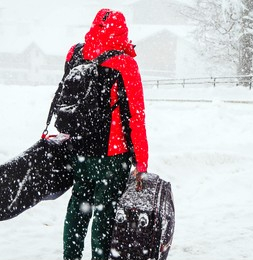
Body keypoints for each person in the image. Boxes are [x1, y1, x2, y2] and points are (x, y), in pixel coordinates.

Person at [59, 8, 149, 260]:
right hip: (112, 154)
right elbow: (136, 117)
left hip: (79, 149)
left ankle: (71, 256)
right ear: (123, 31)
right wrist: (141, 161)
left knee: (78, 207)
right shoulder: (125, 64)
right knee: (105, 213)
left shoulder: (76, 54)